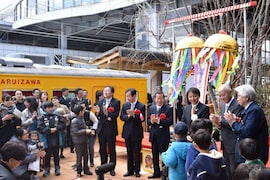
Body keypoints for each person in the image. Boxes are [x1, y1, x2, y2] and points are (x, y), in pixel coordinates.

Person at [224, 84, 269, 165]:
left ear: (246, 97)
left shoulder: (254, 110)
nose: (237, 99)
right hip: (246, 153)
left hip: (252, 154)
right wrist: (236, 120)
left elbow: (247, 131)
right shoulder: (248, 109)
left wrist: (233, 122)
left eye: (239, 96)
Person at [210, 84, 244, 178]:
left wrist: (220, 120)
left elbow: (235, 123)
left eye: (223, 95)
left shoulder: (237, 105)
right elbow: (222, 123)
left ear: (230, 92)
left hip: (234, 140)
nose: (221, 97)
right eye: (220, 95)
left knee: (234, 169)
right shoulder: (222, 104)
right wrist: (217, 122)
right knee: (227, 168)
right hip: (225, 141)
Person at [94, 85, 120, 176]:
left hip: (111, 128)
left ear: (112, 93)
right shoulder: (100, 102)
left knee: (112, 149)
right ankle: (103, 166)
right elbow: (98, 116)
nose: (105, 92)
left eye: (107, 91)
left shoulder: (116, 102)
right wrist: (97, 113)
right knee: (102, 149)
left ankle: (112, 167)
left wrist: (107, 113)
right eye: (104, 91)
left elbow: (115, 115)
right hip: (102, 128)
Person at [120, 88, 146, 178]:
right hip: (127, 132)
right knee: (129, 152)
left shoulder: (141, 106)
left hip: (137, 132)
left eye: (129, 96)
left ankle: (137, 170)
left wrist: (134, 115)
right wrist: (128, 116)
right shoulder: (125, 105)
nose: (127, 98)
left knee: (137, 152)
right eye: (126, 96)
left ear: (134, 96)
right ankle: (129, 170)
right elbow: (121, 117)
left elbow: (142, 119)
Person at [147, 91, 173, 179]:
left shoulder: (168, 109)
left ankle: (164, 174)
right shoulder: (151, 108)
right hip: (154, 135)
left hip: (163, 135)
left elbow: (170, 122)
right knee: (154, 155)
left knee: (164, 155)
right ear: (155, 99)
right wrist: (151, 121)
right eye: (158, 98)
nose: (160, 100)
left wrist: (159, 121)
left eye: (162, 98)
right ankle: (156, 172)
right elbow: (147, 121)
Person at [37, 101, 65, 177]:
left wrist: (56, 128)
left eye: (51, 107)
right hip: (47, 139)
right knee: (47, 155)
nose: (50, 109)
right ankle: (47, 169)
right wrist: (49, 130)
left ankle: (57, 168)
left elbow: (63, 124)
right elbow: (40, 127)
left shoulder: (57, 116)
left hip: (56, 139)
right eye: (48, 108)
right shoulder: (42, 117)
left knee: (56, 155)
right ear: (45, 109)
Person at [71, 105, 94, 177]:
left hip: (84, 140)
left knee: (86, 156)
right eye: (83, 110)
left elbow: (84, 127)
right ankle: (79, 171)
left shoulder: (82, 118)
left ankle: (86, 169)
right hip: (78, 141)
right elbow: (76, 132)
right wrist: (85, 131)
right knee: (79, 157)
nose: (84, 111)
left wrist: (89, 130)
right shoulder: (74, 120)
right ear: (80, 112)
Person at [83, 103, 98, 168]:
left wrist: (93, 129)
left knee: (90, 146)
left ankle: (91, 161)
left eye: (83, 107)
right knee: (83, 148)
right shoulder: (77, 114)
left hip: (92, 131)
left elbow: (96, 121)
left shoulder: (89, 114)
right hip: (83, 132)